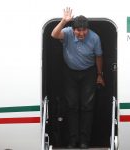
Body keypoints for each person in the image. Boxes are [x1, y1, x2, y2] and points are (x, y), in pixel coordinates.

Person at [51, 7, 105, 149]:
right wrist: (63, 21)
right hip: (70, 73)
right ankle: (73, 140)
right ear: (73, 29)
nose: (81, 33)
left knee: (87, 107)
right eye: (78, 30)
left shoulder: (94, 37)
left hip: (88, 72)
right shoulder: (67, 33)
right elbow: (54, 34)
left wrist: (99, 75)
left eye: (84, 30)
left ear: (87, 29)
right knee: (72, 106)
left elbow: (98, 56)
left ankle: (84, 141)